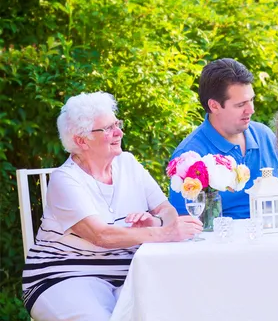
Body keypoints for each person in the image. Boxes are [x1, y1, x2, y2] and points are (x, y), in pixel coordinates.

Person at [22, 92, 203, 321]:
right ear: (81, 140)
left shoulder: (128, 163)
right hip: (64, 276)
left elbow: (166, 210)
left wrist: (156, 222)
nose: (119, 132)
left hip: (128, 275)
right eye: (107, 129)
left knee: (183, 306)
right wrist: (163, 232)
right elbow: (101, 236)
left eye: (117, 124)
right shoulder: (64, 180)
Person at [168, 58, 278, 219]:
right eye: (240, 105)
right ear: (214, 106)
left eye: (251, 100)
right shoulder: (188, 156)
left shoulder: (265, 136)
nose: (251, 110)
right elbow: (184, 222)